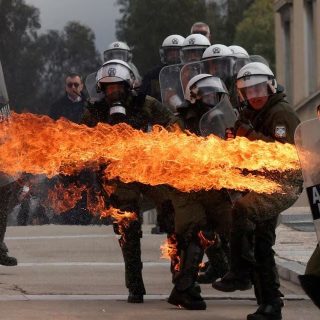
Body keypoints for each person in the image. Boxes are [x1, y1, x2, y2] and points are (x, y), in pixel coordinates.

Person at [82, 59, 181, 303]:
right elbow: (79, 140)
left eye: (118, 86)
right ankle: (135, 286)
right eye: (108, 88)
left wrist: (161, 140)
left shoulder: (144, 104)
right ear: (101, 90)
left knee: (173, 213)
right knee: (128, 226)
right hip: (118, 174)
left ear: (128, 86)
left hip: (149, 168)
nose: (113, 92)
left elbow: (173, 122)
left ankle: (182, 281)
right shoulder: (94, 111)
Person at [212, 62, 303, 320]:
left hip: (283, 183)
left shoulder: (281, 113)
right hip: (259, 182)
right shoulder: (247, 114)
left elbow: (286, 155)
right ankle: (269, 305)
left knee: (243, 210)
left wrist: (249, 136)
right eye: (248, 92)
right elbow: (242, 142)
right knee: (260, 243)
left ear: (270, 85)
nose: (255, 96)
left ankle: (239, 273)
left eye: (259, 89)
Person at [167, 74, 234, 310]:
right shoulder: (178, 123)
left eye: (214, 95)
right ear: (194, 98)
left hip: (214, 185)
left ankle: (252, 279)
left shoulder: (224, 119)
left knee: (239, 224)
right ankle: (184, 289)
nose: (211, 100)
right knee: (195, 230)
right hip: (186, 186)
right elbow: (172, 155)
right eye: (206, 95)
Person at [139, 34, 185, 102]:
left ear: (184, 53)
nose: (174, 55)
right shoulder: (154, 74)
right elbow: (144, 95)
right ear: (164, 54)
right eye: (170, 52)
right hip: (161, 110)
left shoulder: (189, 71)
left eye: (177, 52)